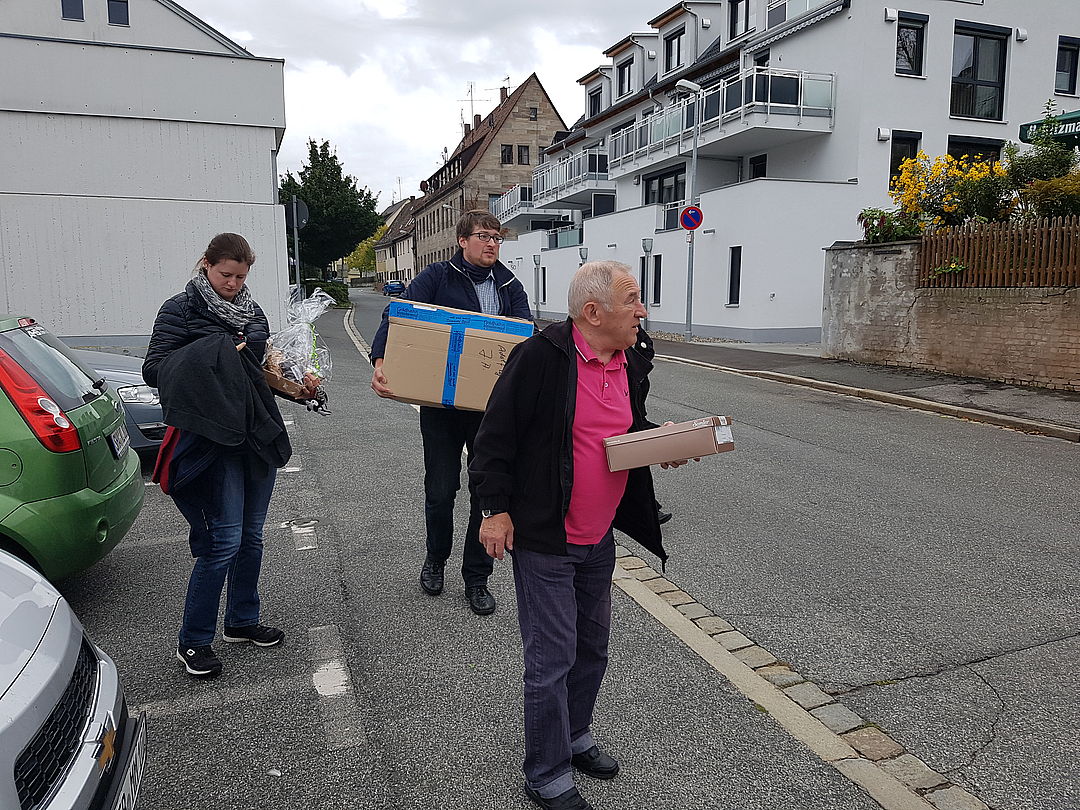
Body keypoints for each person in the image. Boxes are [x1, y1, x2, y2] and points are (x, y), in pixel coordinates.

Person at [470, 261, 689, 810]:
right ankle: (545, 772)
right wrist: (494, 510)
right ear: (593, 312)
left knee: (592, 648)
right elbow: (494, 437)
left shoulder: (629, 360)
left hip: (598, 536)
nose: (642, 311)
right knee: (552, 659)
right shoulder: (540, 358)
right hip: (547, 536)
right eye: (632, 300)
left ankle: (574, 735)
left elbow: (625, 431)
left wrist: (660, 442)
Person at [143, 232, 292, 679]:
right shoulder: (180, 309)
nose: (233, 284)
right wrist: (219, 350)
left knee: (252, 537)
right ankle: (193, 641)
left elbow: (261, 370)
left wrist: (298, 384)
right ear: (206, 264)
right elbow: (155, 369)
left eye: (241, 277)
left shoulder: (252, 311)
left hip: (255, 433)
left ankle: (242, 621)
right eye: (226, 274)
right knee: (223, 540)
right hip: (210, 439)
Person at [369, 209, 531, 616]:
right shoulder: (438, 277)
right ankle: (436, 558)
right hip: (440, 405)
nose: (492, 243)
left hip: (490, 410)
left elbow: (526, 338)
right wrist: (380, 361)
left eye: (496, 237)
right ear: (463, 241)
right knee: (441, 490)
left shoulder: (509, 285)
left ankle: (476, 577)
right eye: (483, 236)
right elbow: (398, 315)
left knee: (486, 491)